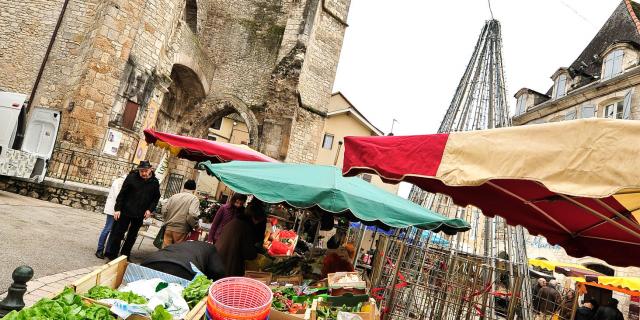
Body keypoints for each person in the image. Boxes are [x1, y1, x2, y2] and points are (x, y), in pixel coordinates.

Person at [105, 161, 161, 260]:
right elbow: (122, 194)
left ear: (150, 170)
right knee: (118, 233)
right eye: (141, 171)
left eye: (146, 171)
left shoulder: (154, 182)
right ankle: (112, 255)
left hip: (140, 213)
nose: (144, 173)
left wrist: (149, 210)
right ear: (138, 170)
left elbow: (155, 198)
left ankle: (124, 256)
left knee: (132, 236)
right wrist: (117, 209)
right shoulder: (131, 178)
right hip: (125, 211)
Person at [215, 201, 259, 276]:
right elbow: (249, 253)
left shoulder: (234, 222)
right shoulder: (246, 227)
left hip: (218, 259)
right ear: (253, 217)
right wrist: (256, 250)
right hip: (229, 264)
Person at [141, 241, 225, 281]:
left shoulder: (184, 244)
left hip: (150, 262)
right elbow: (218, 271)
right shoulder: (210, 248)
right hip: (183, 270)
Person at [95, 173, 127, 259]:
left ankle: (108, 251)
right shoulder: (120, 182)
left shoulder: (123, 181)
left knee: (113, 231)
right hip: (112, 209)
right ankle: (99, 249)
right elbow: (118, 196)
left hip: (118, 210)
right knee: (108, 229)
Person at [161, 179, 200, 248]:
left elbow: (164, 210)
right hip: (181, 230)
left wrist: (166, 220)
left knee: (165, 252)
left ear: (184, 187)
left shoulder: (174, 196)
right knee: (177, 253)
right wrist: (195, 225)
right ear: (194, 189)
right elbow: (192, 214)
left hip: (168, 228)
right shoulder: (194, 199)